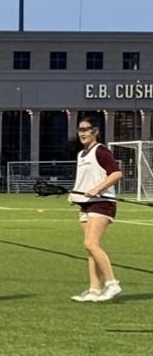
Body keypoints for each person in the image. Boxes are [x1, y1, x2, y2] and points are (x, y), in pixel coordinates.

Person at [68, 116, 122, 302]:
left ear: (95, 131)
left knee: (91, 243)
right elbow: (83, 181)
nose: (82, 133)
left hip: (103, 202)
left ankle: (112, 283)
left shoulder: (101, 151)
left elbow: (116, 173)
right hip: (86, 204)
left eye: (86, 129)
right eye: (80, 130)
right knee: (90, 248)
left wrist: (97, 189)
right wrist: (74, 195)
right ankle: (94, 289)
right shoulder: (81, 154)